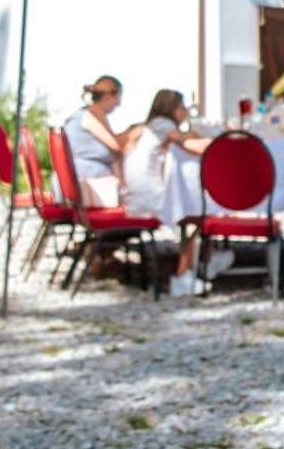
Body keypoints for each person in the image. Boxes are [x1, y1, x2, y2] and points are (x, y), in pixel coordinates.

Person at [122, 88, 233, 296]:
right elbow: (195, 146)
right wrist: (220, 139)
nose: (186, 112)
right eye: (183, 108)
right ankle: (183, 274)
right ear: (172, 109)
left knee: (195, 209)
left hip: (136, 193)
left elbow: (185, 137)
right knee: (196, 215)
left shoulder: (153, 126)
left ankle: (205, 260)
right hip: (147, 196)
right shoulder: (164, 126)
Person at [61, 76, 128, 206]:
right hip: (86, 187)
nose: (118, 104)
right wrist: (134, 131)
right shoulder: (91, 114)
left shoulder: (85, 114)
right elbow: (116, 145)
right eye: (119, 98)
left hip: (80, 184)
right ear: (110, 96)